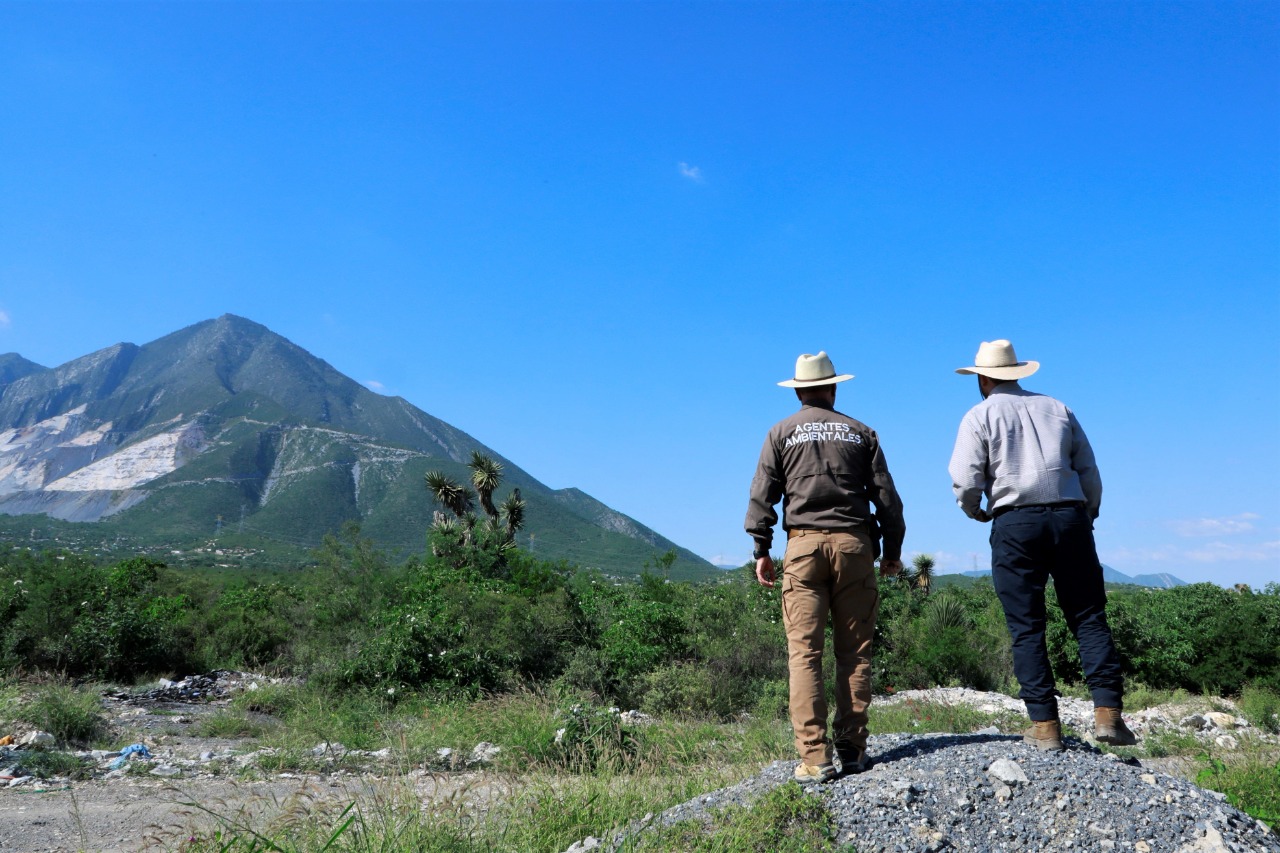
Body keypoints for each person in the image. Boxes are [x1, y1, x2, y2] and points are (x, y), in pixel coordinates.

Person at [948, 339, 1137, 751]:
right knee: (1088, 615)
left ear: (982, 378)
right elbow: (1088, 468)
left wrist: (974, 510)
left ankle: (1046, 725)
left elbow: (965, 478)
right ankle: (1108, 715)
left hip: (1015, 522)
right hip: (1070, 516)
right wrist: (1089, 512)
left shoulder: (979, 415)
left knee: (1026, 625)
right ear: (1017, 372)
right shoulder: (1058, 407)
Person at [746, 351, 905, 783]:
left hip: (802, 549)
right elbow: (887, 499)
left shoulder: (780, 432)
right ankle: (852, 750)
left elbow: (763, 496)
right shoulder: (861, 433)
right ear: (834, 388)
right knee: (854, 654)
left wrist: (762, 548)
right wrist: (892, 550)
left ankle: (816, 758)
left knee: (805, 655)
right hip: (855, 547)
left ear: (798, 391)